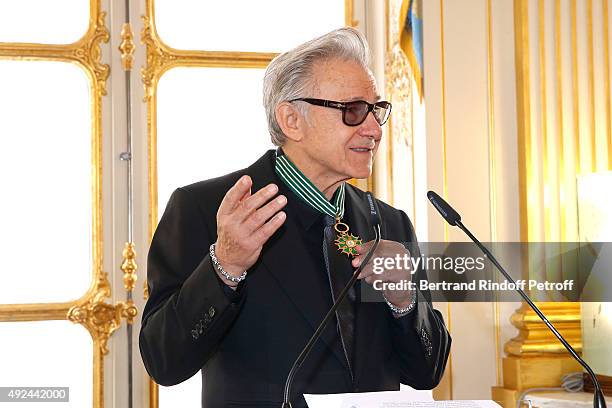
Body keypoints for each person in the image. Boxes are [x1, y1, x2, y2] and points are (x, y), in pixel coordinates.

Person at [139, 27, 451, 408]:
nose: (373, 129)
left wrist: (404, 299)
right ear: (291, 120)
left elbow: (426, 373)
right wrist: (224, 267)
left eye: (376, 110)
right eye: (353, 110)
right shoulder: (205, 208)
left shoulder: (390, 223)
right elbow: (164, 363)